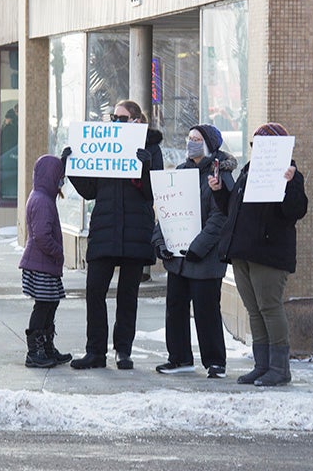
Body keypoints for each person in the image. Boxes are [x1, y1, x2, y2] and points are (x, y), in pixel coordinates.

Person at [62, 99, 163, 370]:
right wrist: (72, 166)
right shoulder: (105, 146)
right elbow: (91, 190)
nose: (115, 121)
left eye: (121, 117)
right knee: (95, 291)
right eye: (113, 117)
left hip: (135, 230)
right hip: (105, 230)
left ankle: (123, 351)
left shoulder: (151, 147)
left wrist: (145, 165)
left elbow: (152, 192)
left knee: (127, 296)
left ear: (135, 120)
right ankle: (95, 352)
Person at [208, 122, 308, 386]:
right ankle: (262, 365)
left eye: (261, 144)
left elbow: (296, 211)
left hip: (268, 253)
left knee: (269, 308)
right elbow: (234, 208)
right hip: (243, 250)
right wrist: (219, 193)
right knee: (254, 310)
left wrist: (289, 184)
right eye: (254, 145)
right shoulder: (250, 171)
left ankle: (279, 368)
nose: (256, 150)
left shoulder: (291, 173)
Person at [153, 124, 236, 379]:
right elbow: (165, 212)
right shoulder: (180, 172)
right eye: (189, 138)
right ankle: (179, 358)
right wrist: (161, 243)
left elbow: (220, 217)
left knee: (206, 310)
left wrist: (197, 247)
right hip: (179, 259)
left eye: (197, 139)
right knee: (175, 307)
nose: (191, 143)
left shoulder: (219, 175)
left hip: (205, 258)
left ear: (210, 144)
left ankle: (215, 362)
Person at [18, 154, 71, 368]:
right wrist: (58, 252)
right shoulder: (41, 201)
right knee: (43, 306)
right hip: (41, 263)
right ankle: (35, 351)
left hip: (44, 264)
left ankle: (47, 346)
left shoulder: (43, 196)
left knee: (51, 304)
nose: (62, 180)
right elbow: (41, 235)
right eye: (59, 176)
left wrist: (62, 161)